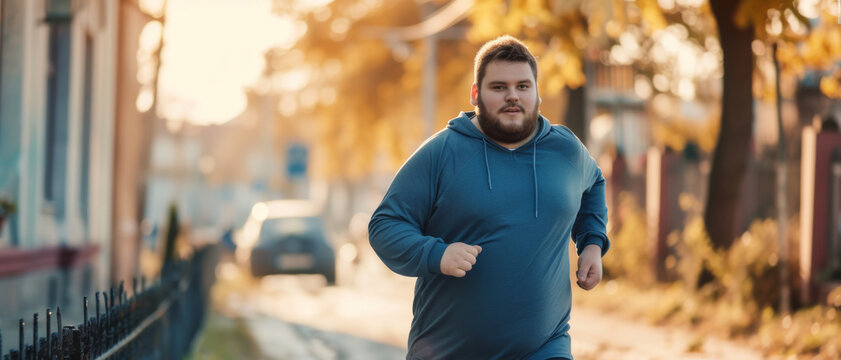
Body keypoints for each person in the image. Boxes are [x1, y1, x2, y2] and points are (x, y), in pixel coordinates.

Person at [368, 35, 609, 360]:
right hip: (447, 350)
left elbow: (593, 183)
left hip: (545, 347)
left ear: (537, 92)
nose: (513, 96)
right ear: (475, 93)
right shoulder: (442, 153)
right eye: (499, 87)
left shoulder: (565, 150)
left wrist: (591, 244)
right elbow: (385, 225)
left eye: (523, 86)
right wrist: (436, 254)